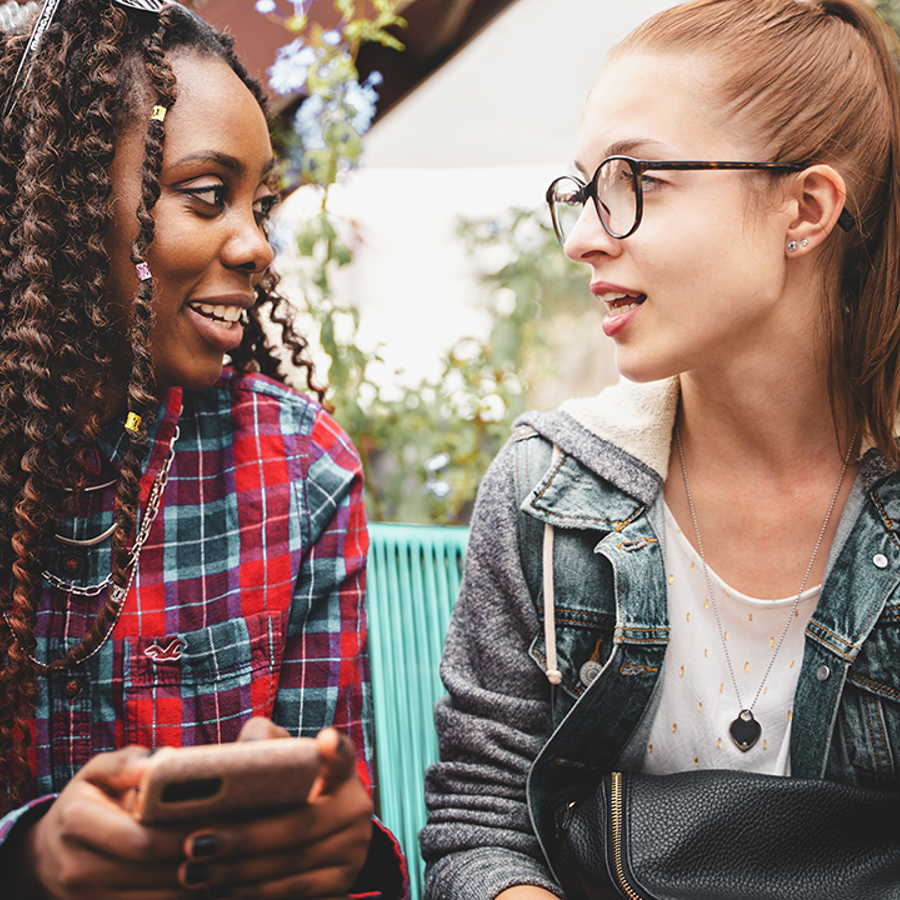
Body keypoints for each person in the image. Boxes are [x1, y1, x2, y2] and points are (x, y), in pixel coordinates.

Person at [420, 0, 900, 897]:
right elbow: (479, 822)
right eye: (583, 188)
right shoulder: (547, 490)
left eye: (637, 179)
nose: (582, 237)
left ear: (806, 208)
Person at [0, 1, 406, 897]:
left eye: (258, 202)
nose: (257, 243)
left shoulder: (299, 471)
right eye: (206, 195)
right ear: (66, 204)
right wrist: (28, 859)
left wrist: (342, 840)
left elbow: (339, 822)